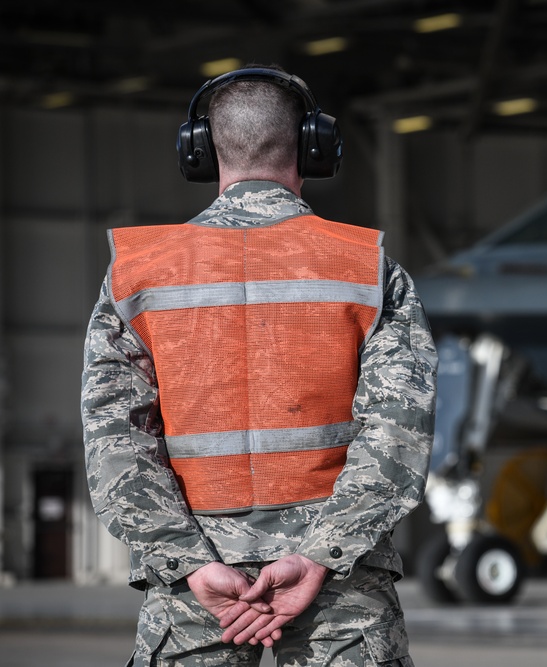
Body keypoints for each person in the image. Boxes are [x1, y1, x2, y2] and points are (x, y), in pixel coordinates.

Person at [81, 64, 437, 666]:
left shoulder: (137, 276)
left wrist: (191, 563)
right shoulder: (367, 270)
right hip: (339, 588)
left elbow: (115, 444)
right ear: (312, 147)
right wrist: (321, 554)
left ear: (199, 151)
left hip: (198, 592)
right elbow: (396, 434)